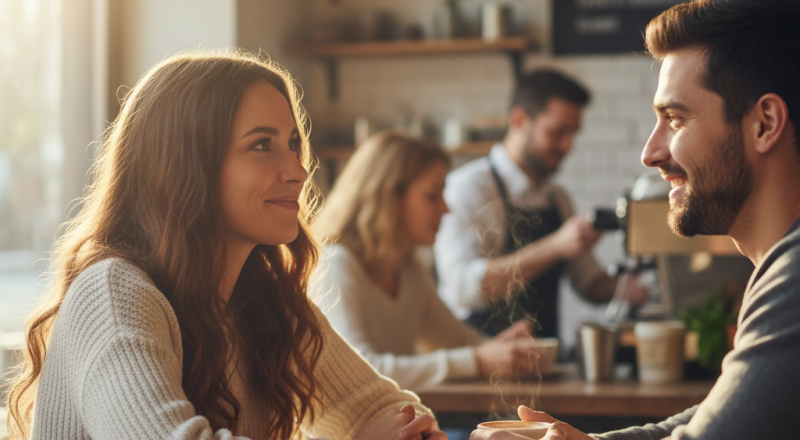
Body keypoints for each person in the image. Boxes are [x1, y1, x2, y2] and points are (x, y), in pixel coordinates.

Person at [3, 51, 446, 440]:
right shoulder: (113, 295)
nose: (297, 170)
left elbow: (385, 413)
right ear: (183, 168)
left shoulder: (265, 301)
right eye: (261, 145)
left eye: (293, 144)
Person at [472, 0, 800, 439]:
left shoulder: (793, 275)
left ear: (765, 124)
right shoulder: (780, 265)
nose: (650, 153)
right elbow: (718, 410)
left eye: (675, 119)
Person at [314, 131, 540, 392]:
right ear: (389, 197)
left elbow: (456, 342)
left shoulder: (408, 270)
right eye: (433, 195)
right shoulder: (334, 265)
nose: (446, 209)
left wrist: (499, 348)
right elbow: (356, 370)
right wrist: (478, 360)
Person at [435, 70, 645, 338]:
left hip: (544, 362)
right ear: (520, 120)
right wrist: (556, 246)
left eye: (573, 134)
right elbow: (462, 290)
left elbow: (587, 283)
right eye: (558, 132)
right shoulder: (468, 189)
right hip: (481, 362)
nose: (567, 145)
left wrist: (626, 288)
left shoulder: (557, 197)